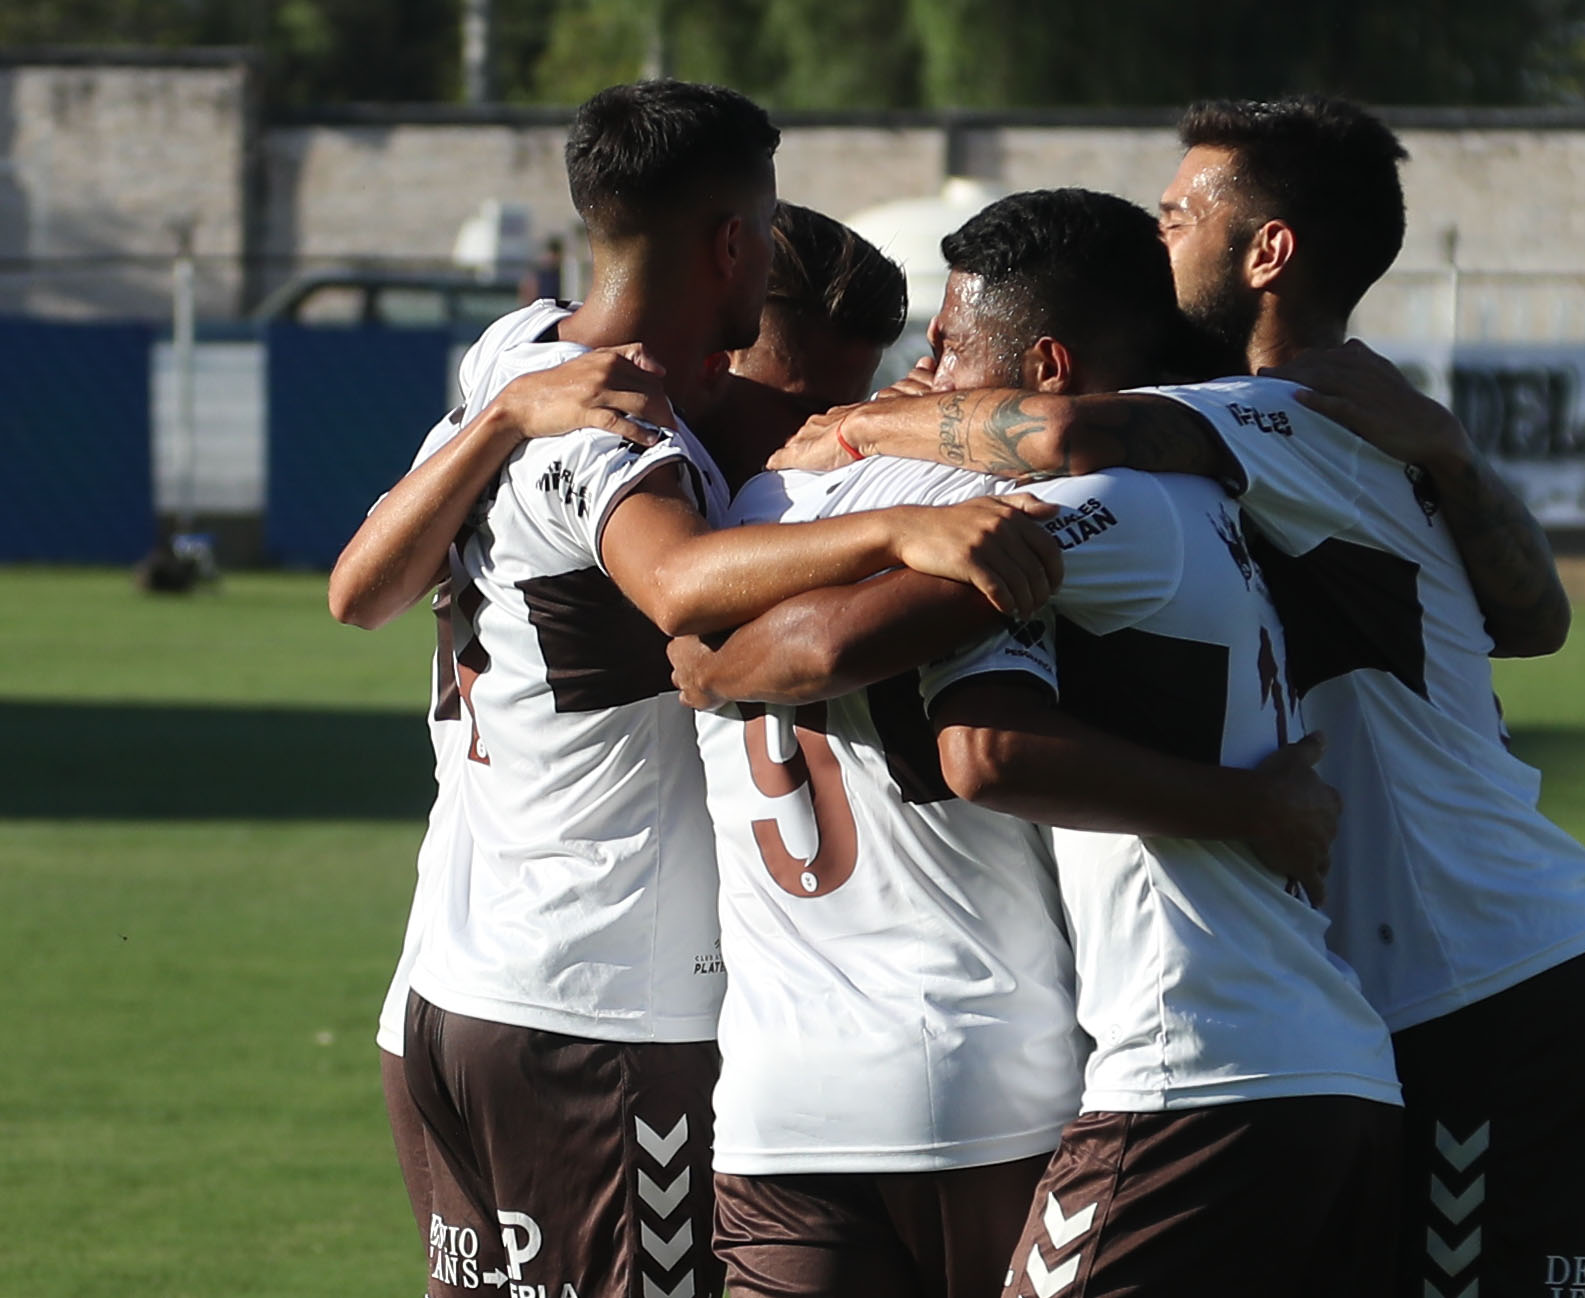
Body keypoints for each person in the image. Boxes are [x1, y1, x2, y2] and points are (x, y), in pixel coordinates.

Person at [770, 97, 1585, 1298]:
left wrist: (866, 430)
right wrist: (1451, 454)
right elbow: (1538, 619)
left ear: (1268, 252)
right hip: (1497, 969)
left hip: (1473, 980)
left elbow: (1068, 430)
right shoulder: (1363, 424)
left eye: (1179, 215)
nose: (1158, 237)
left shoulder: (1278, 414)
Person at [329, 80, 1060, 1298]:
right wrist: (900, 530)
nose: (817, 436)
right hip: (599, 1004)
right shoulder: (627, 442)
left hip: (446, 985)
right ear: (732, 245)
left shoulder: (523, 354)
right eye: (807, 404)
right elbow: (678, 587)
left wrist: (499, 418)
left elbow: (357, 589)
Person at [672, 187, 1402, 1297]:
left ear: (1045, 366)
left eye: (946, 348)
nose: (927, 379)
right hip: (1216, 1055)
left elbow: (894, 687)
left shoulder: (1067, 505)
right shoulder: (1197, 489)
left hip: (1182, 1065)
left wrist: (708, 663)